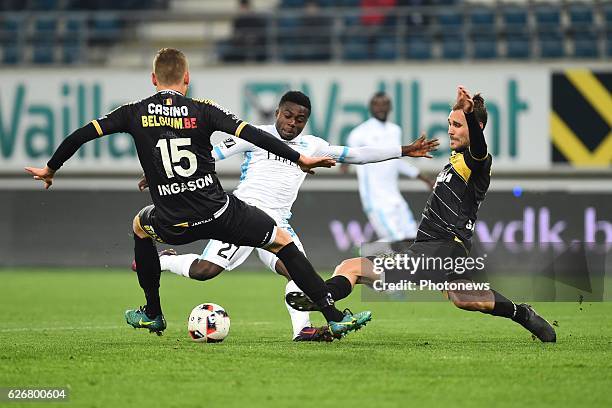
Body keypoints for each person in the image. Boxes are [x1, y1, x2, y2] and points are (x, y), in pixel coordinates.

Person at [25, 48, 372, 339]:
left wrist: (51, 167)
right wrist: (299, 156)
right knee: (283, 243)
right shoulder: (203, 109)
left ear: (153, 79)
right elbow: (255, 135)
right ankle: (334, 315)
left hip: (173, 218)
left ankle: (153, 312)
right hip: (220, 212)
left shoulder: (132, 112)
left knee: (140, 227)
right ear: (187, 78)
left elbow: (80, 136)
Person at [136, 90, 439, 341]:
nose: (292, 123)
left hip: (278, 222)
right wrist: (163, 173)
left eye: (300, 119)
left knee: (300, 273)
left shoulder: (314, 146)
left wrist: (403, 150)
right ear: (278, 113)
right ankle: (163, 260)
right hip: (240, 217)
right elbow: (207, 156)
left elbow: (356, 154)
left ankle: (302, 330)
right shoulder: (254, 135)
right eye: (288, 116)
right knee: (206, 271)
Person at [287, 86, 557, 343]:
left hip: (441, 249)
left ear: (477, 128)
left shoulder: (477, 162)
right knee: (466, 298)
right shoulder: (455, 162)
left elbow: (479, 149)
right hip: (439, 250)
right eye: (450, 124)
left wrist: (471, 115)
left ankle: (322, 297)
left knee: (351, 268)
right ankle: (522, 313)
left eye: (458, 125)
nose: (451, 130)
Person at [343, 91, 434, 252]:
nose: (381, 108)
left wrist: (424, 178)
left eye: (385, 104)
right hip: (376, 198)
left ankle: (369, 251)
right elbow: (350, 157)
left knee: (411, 236)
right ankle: (370, 256)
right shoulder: (359, 134)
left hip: (394, 196)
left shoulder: (395, 130)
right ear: (370, 108)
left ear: (390, 107)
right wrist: (343, 163)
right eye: (377, 104)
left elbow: (396, 161)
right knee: (396, 240)